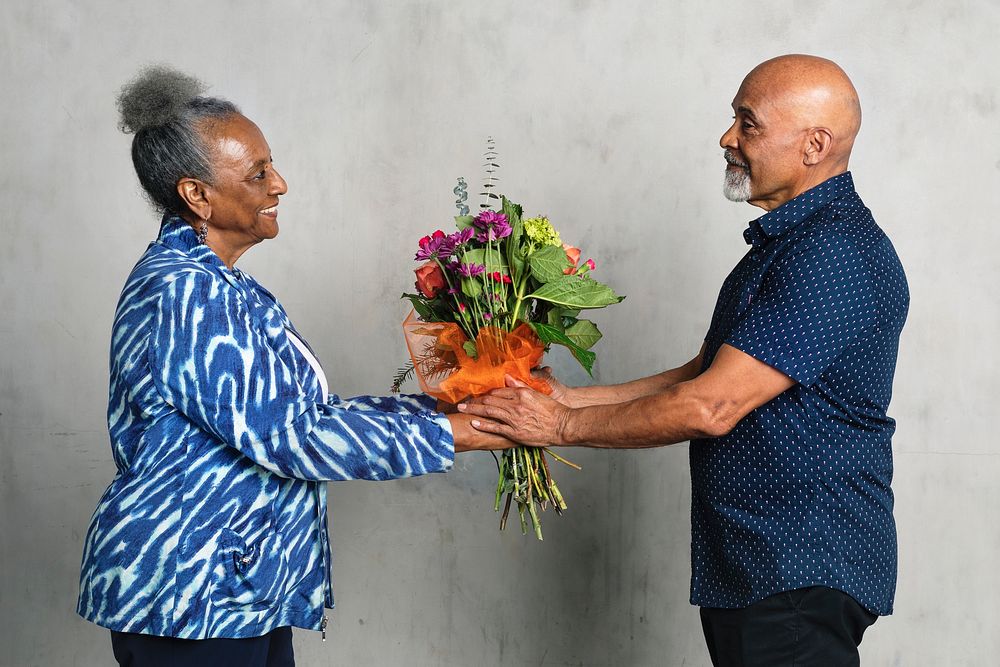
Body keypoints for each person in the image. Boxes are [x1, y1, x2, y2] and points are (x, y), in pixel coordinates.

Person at [460, 54, 909, 666]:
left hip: (797, 565)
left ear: (814, 146)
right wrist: (567, 398)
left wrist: (560, 427)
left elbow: (711, 405)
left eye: (747, 124)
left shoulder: (832, 253)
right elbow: (708, 373)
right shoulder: (794, 244)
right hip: (763, 564)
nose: (727, 138)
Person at [77, 66, 507, 667]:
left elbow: (301, 415)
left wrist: (444, 407)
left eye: (271, 164)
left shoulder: (221, 285)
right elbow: (293, 437)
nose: (280, 183)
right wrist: (462, 432)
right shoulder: (188, 294)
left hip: (235, 593)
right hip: (190, 596)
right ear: (196, 194)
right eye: (258, 173)